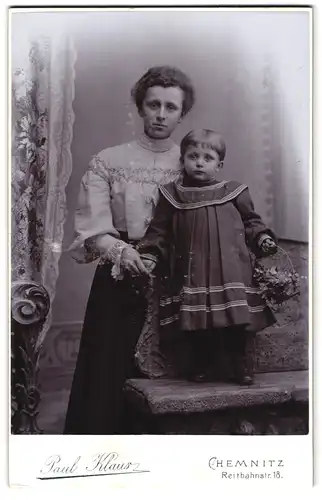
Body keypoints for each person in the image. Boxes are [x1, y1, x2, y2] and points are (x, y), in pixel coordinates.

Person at [63, 66, 195, 434]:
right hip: (120, 275)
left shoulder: (190, 164)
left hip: (173, 279)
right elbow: (92, 227)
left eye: (171, 107)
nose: (161, 114)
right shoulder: (110, 160)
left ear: (182, 114)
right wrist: (122, 252)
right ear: (140, 107)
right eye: (153, 104)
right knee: (109, 369)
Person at [136, 129, 277, 385]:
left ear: (219, 164)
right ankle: (203, 364)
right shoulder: (172, 195)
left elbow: (251, 222)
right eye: (193, 156)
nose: (199, 162)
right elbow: (159, 230)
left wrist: (262, 237)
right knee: (198, 321)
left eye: (207, 158)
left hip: (231, 269)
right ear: (183, 160)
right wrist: (151, 253)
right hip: (194, 270)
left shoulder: (233, 192)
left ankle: (239, 365)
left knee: (235, 322)